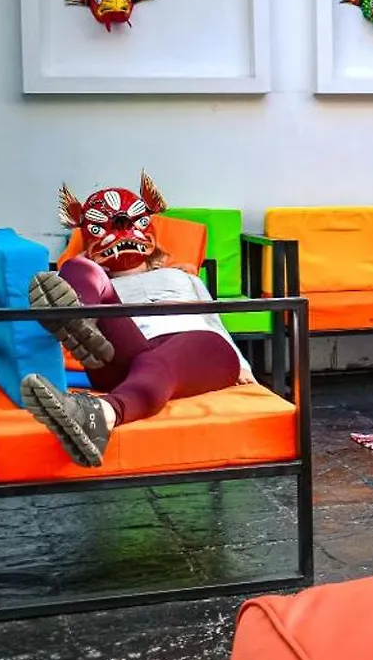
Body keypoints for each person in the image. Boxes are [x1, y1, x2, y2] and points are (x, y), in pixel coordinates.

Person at [18, 175, 252, 467]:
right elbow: (65, 281)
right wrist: (86, 274)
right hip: (123, 352)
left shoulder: (181, 277)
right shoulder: (98, 279)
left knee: (181, 350)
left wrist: (242, 365)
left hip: (197, 351)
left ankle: (99, 413)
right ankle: (80, 314)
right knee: (78, 269)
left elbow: (212, 319)